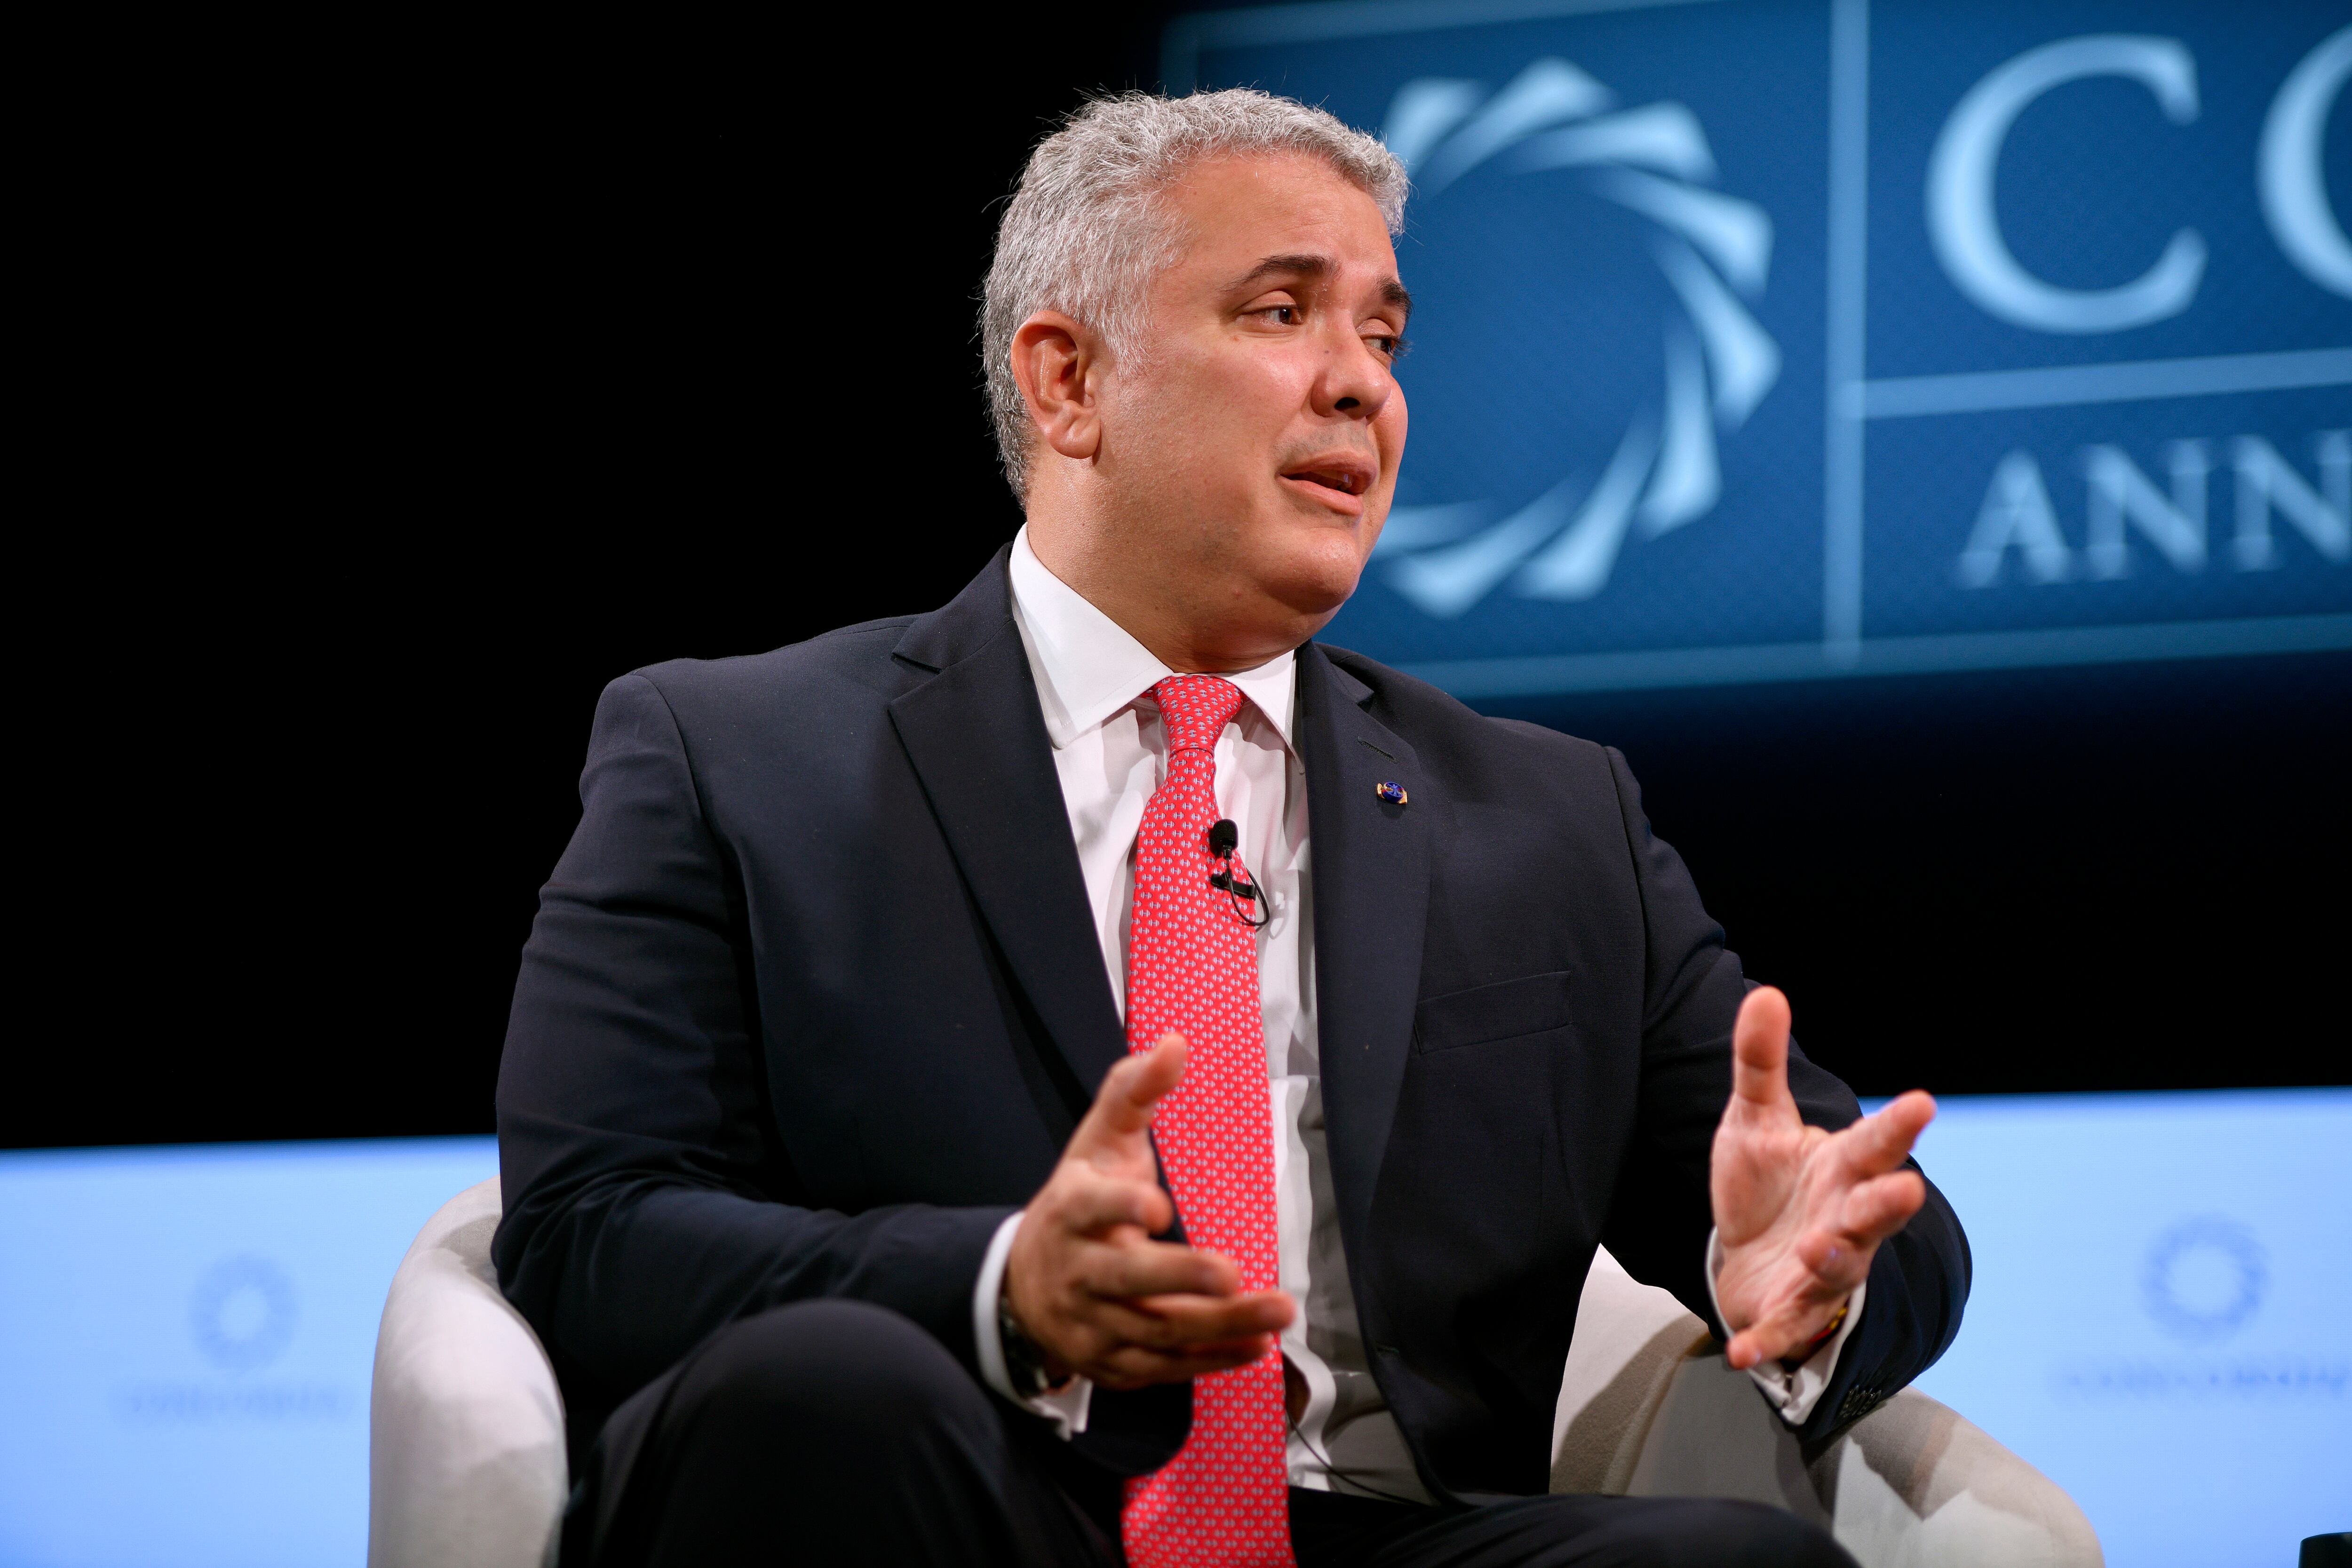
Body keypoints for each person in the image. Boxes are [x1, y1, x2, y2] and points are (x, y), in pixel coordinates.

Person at [494, 89, 1968, 1568]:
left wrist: (1812, 1276)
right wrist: (998, 1287)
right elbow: (589, 1231)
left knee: (1732, 1560)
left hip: (1378, 1533)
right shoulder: (736, 758)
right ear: (1068, 382)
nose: (1361, 385)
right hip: (957, 1487)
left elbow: (1845, 1201)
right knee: (830, 1389)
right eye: (1281, 313)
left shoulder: (1547, 816)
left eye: (1384, 337)